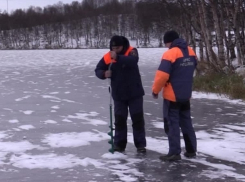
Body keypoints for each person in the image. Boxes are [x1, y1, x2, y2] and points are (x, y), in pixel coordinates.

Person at [95, 35, 146, 153]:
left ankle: (140, 145)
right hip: (118, 94)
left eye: (117, 48)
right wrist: (103, 74)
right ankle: (119, 144)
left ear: (122, 46)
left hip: (135, 93)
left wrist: (117, 57)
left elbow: (133, 61)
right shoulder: (108, 56)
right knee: (120, 120)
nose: (115, 50)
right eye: (113, 48)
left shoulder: (132, 51)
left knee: (137, 119)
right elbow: (98, 69)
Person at [152, 30, 197, 161]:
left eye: (166, 43)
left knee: (172, 124)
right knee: (186, 122)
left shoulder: (170, 54)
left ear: (169, 42)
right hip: (186, 94)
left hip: (172, 96)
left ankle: (174, 152)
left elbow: (162, 76)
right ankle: (191, 150)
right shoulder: (191, 51)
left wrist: (155, 90)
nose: (166, 46)